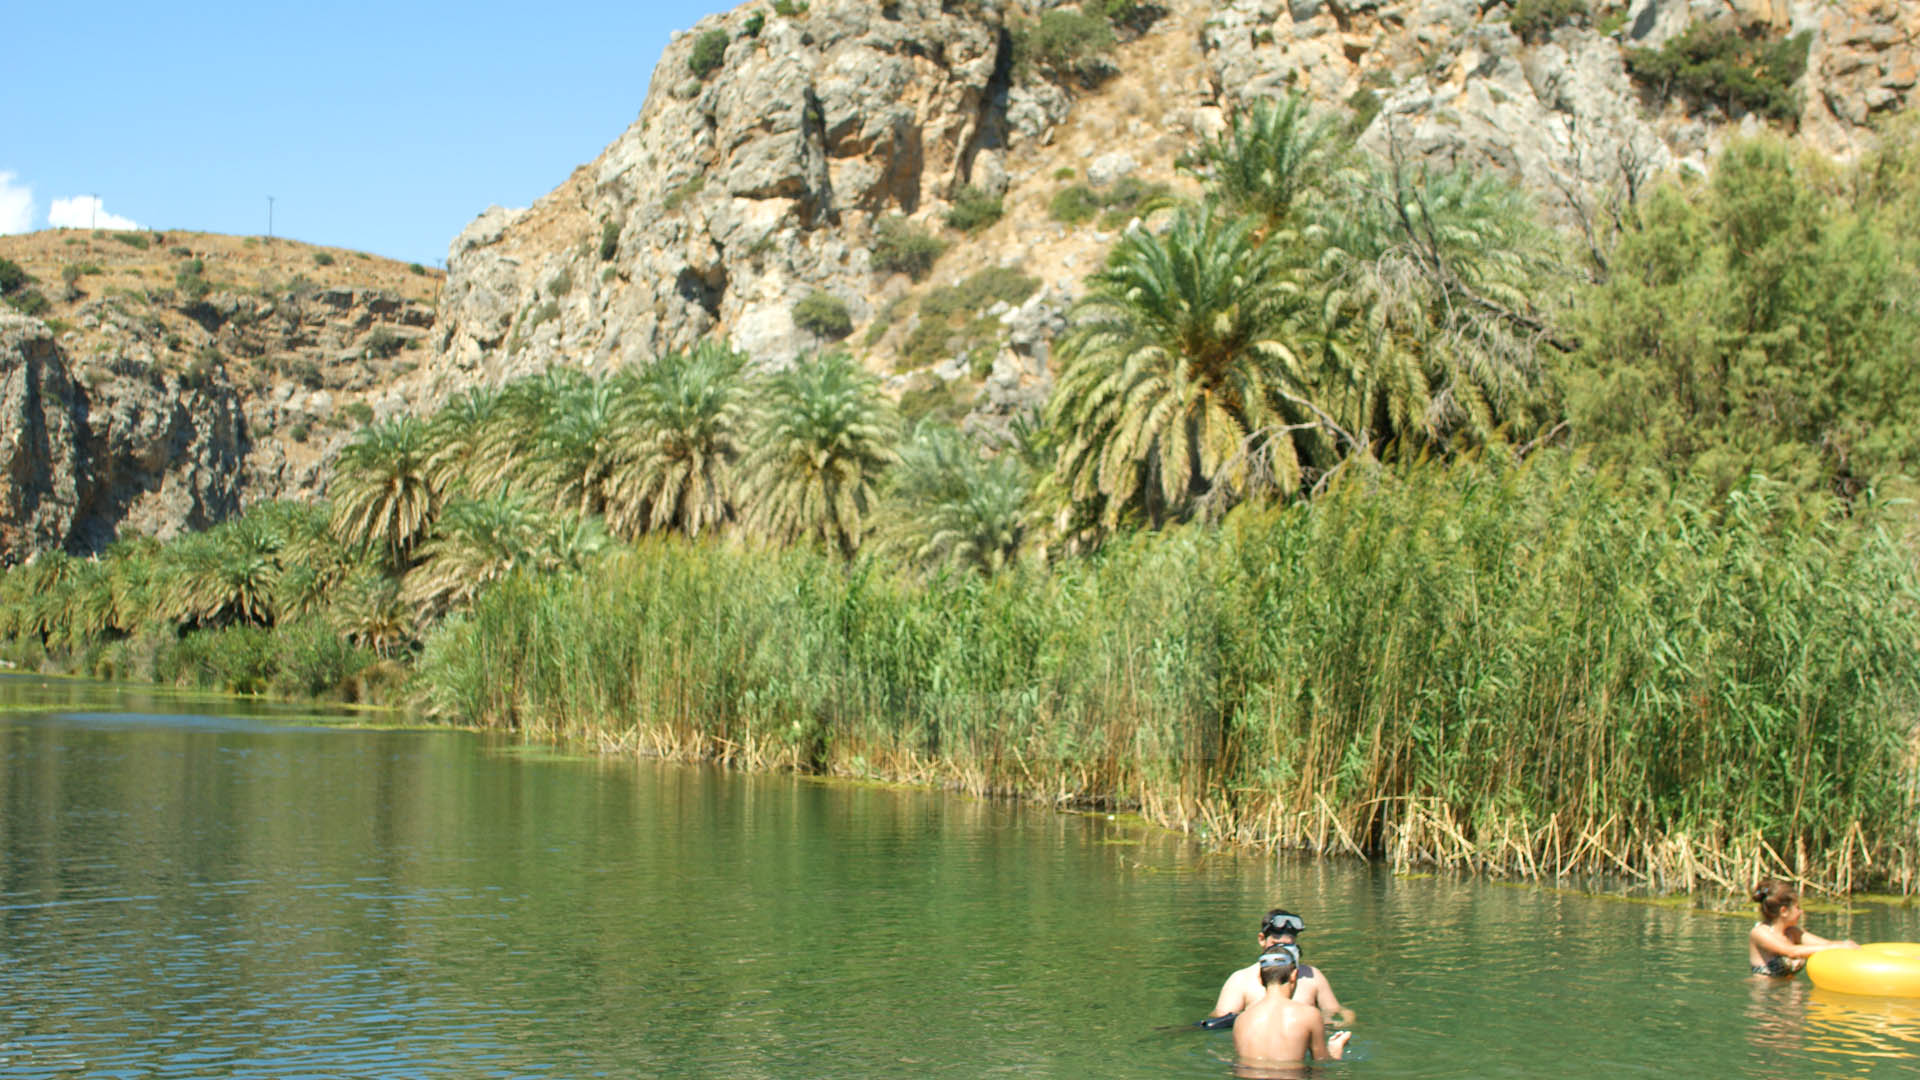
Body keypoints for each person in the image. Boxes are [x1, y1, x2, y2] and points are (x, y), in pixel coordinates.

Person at [1211, 909, 1353, 1026]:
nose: (1282, 952)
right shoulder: (1241, 980)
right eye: (1276, 945)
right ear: (1261, 939)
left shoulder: (1312, 976)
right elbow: (1220, 1021)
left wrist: (1333, 1023)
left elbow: (1338, 1012)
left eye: (1288, 946)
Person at [1232, 943, 1350, 1070]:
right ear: (1294, 975)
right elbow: (1321, 1068)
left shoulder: (1241, 1020)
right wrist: (1335, 1050)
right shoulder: (1310, 1015)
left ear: (1260, 979)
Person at [1748, 878, 1857, 977]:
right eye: (1797, 908)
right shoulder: (1759, 933)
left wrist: (1844, 945)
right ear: (1784, 911)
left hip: (1791, 993)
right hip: (1766, 994)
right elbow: (1792, 951)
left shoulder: (1792, 932)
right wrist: (1838, 947)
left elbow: (1826, 945)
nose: (1801, 912)